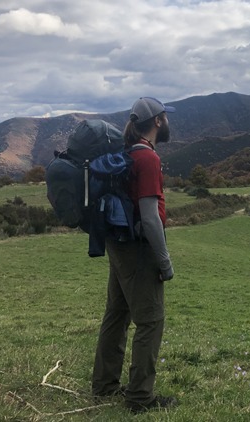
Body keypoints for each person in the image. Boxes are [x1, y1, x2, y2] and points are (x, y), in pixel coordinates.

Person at [91, 97, 177, 413]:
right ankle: (141, 398)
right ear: (157, 121)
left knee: (116, 314)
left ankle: (104, 386)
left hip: (118, 244)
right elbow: (150, 215)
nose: (168, 122)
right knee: (150, 321)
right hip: (138, 249)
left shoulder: (127, 153)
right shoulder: (149, 159)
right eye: (166, 117)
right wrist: (164, 260)